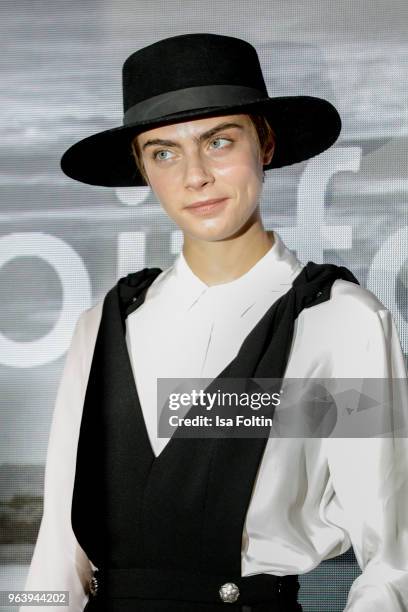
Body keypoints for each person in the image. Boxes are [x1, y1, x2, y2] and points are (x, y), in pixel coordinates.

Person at [21, 33, 408, 612]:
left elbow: (394, 560)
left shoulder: (343, 320)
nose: (194, 176)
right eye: (164, 152)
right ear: (142, 168)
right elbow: (56, 553)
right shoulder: (101, 325)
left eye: (219, 141)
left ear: (266, 143)